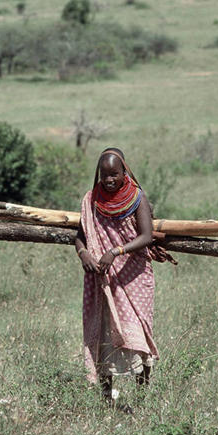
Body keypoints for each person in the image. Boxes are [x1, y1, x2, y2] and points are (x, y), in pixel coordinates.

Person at [75, 147, 174, 411]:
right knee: (105, 333)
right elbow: (80, 235)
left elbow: (146, 236)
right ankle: (107, 400)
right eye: (104, 175)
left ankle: (142, 401)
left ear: (124, 172)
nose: (109, 180)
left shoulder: (136, 198)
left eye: (114, 174)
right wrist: (84, 253)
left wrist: (116, 251)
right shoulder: (91, 200)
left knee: (139, 336)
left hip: (133, 276)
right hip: (103, 279)